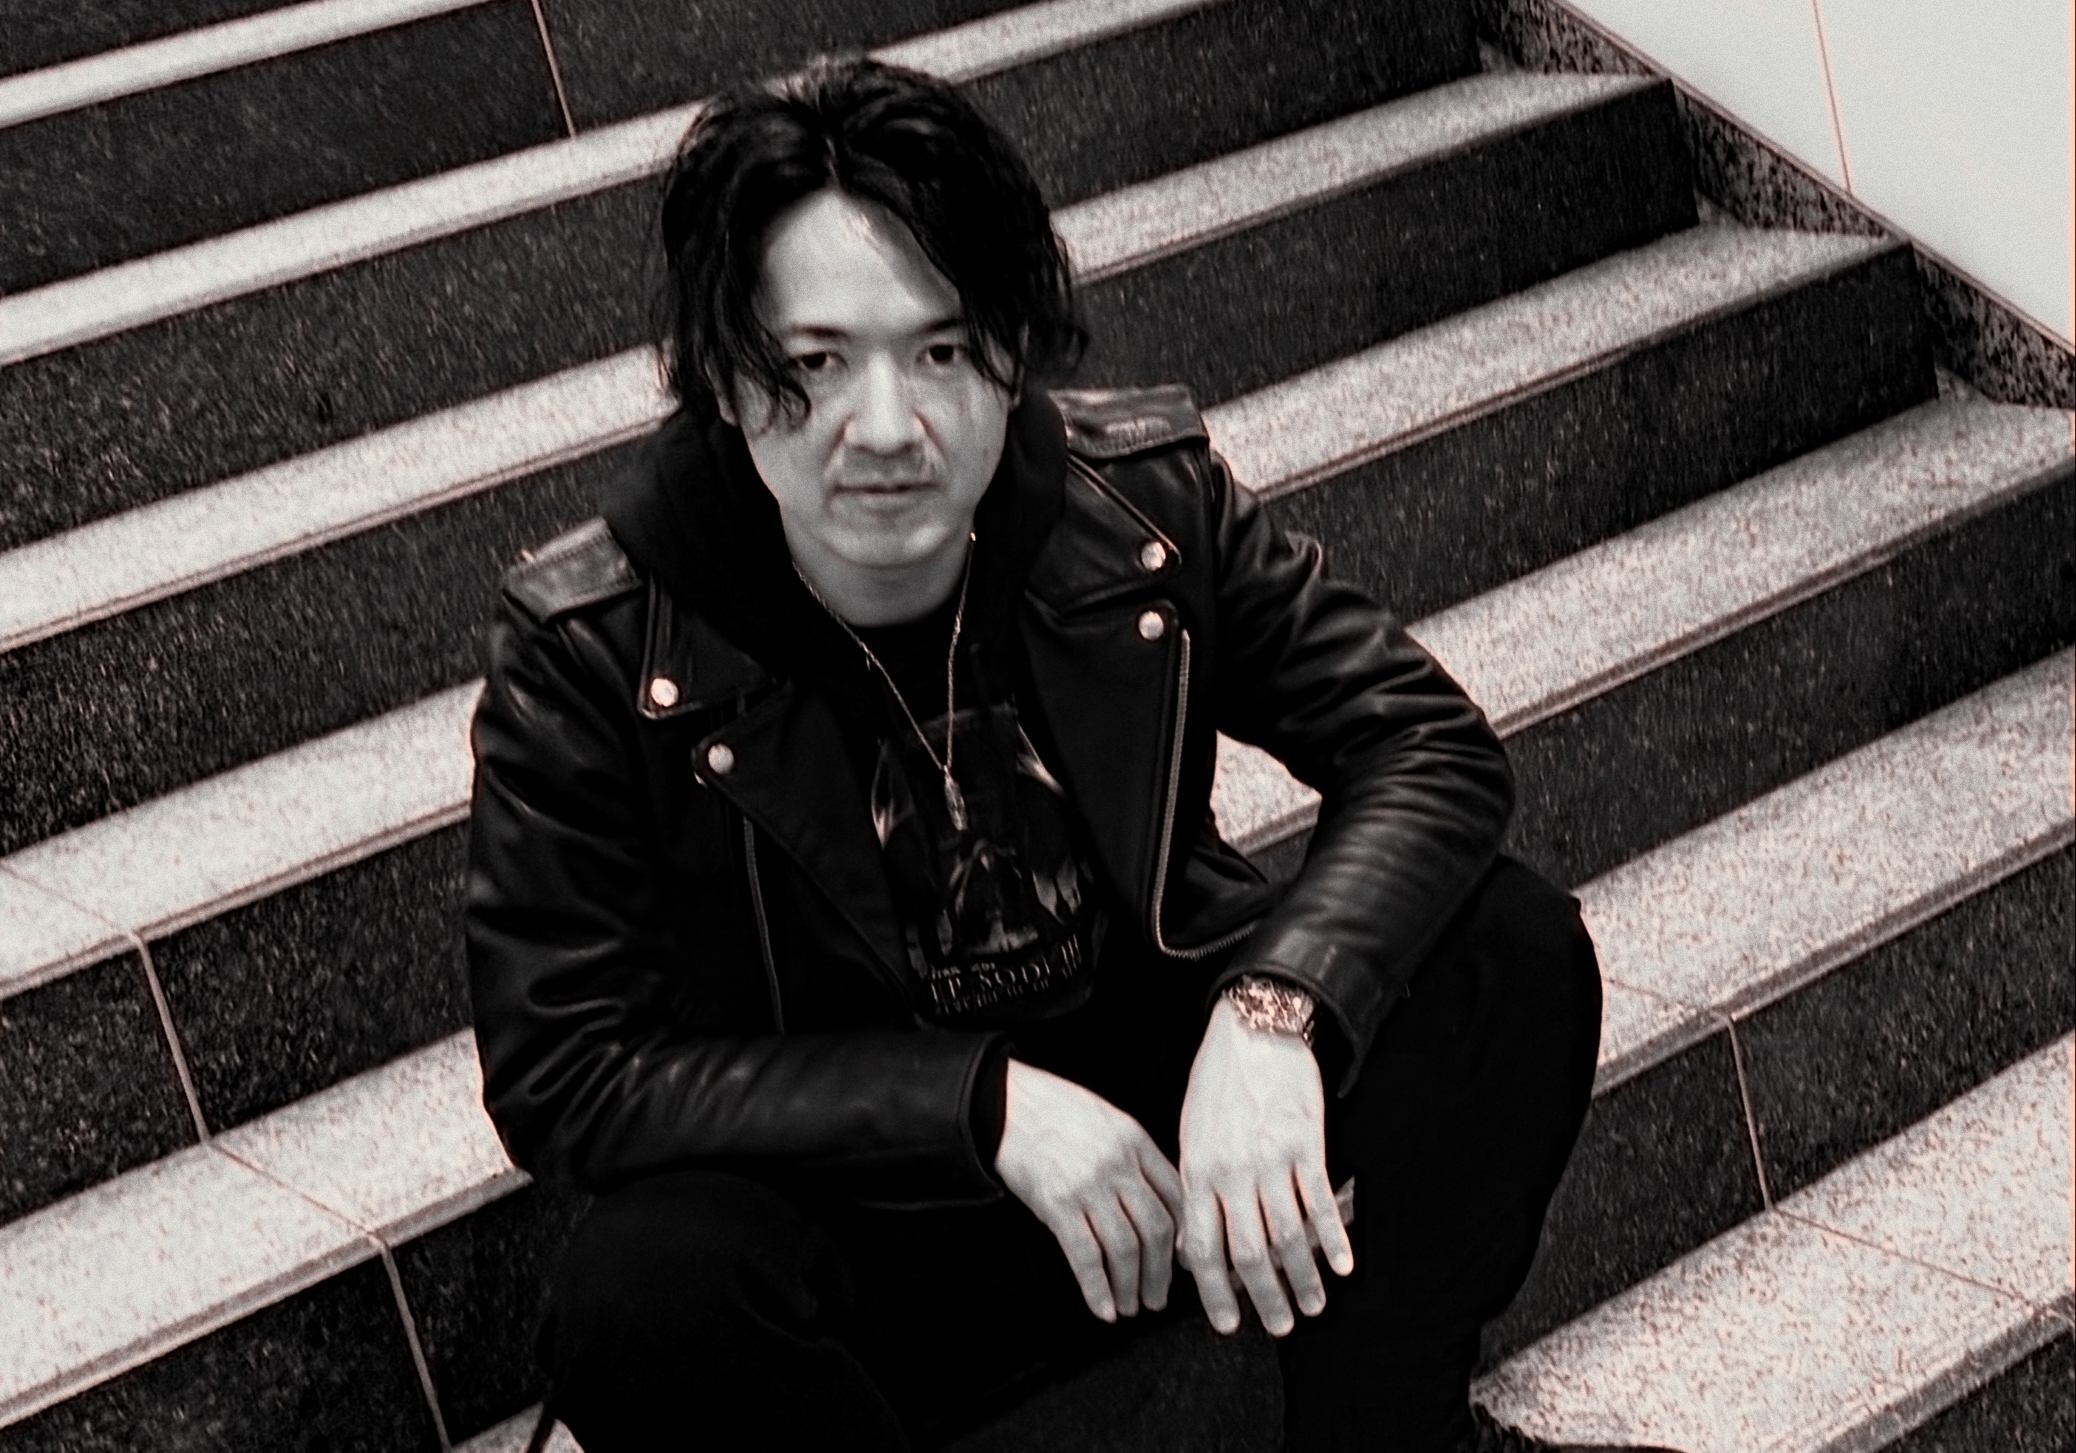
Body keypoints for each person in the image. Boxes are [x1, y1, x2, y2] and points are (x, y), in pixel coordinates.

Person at [464, 57, 1681, 1453]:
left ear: (1013, 350)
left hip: (1163, 1123)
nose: (886, 428)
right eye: (814, 363)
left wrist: (1278, 1006)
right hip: (873, 1208)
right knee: (639, 1295)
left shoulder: (1136, 507)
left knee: (1501, 953)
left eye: (942, 350)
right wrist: (973, 1105)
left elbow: (1425, 744)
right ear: (728, 381)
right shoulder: (595, 648)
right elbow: (567, 1068)